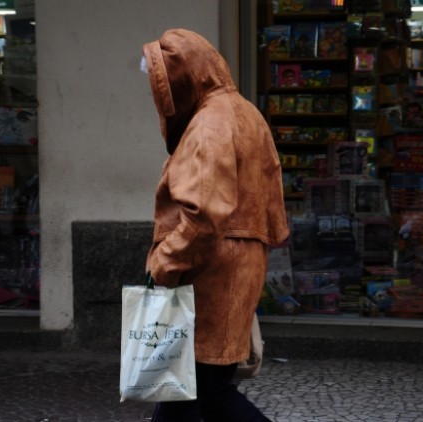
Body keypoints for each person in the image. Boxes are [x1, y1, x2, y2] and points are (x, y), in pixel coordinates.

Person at [141, 29, 289, 422]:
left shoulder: (209, 124)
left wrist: (163, 265)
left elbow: (203, 214)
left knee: (196, 391)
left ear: (184, 77)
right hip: (237, 263)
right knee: (196, 391)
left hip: (212, 273)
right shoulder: (245, 112)